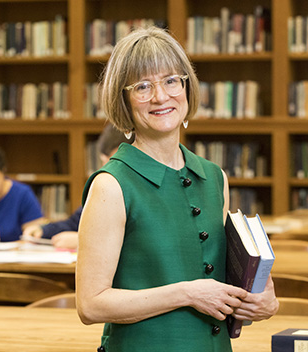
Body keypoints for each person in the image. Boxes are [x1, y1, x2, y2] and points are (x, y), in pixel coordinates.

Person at [75, 27, 279, 351]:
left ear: (186, 87)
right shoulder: (111, 186)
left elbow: (219, 288)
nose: (160, 96)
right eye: (142, 86)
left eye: (171, 80)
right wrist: (187, 293)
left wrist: (262, 302)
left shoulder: (214, 178)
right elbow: (90, 305)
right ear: (124, 101)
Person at [22, 124, 132, 249]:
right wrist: (43, 230)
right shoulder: (104, 189)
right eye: (104, 162)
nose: (107, 170)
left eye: (115, 162)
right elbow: (74, 223)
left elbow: (138, 241)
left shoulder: (142, 192)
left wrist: (84, 240)